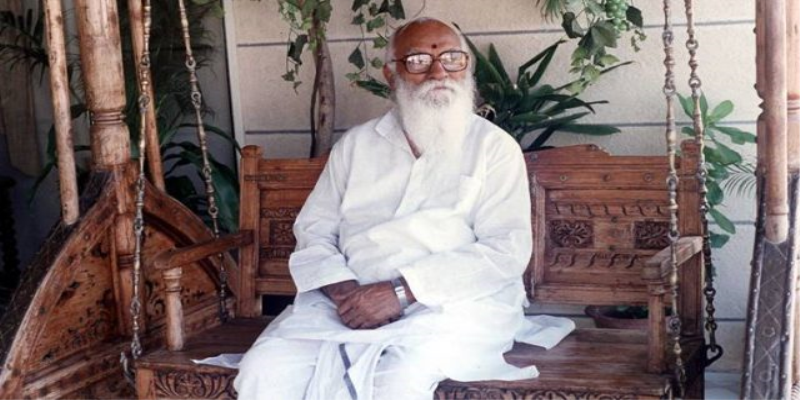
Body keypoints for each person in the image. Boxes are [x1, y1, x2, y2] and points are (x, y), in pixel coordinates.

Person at [233, 17, 574, 400]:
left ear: (467, 67)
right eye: (418, 61)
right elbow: (314, 231)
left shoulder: (493, 148)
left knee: (396, 380)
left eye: (452, 58)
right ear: (391, 74)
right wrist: (346, 294)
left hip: (456, 305)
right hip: (345, 303)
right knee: (265, 371)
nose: (438, 72)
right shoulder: (357, 146)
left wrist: (400, 292)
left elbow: (506, 251)